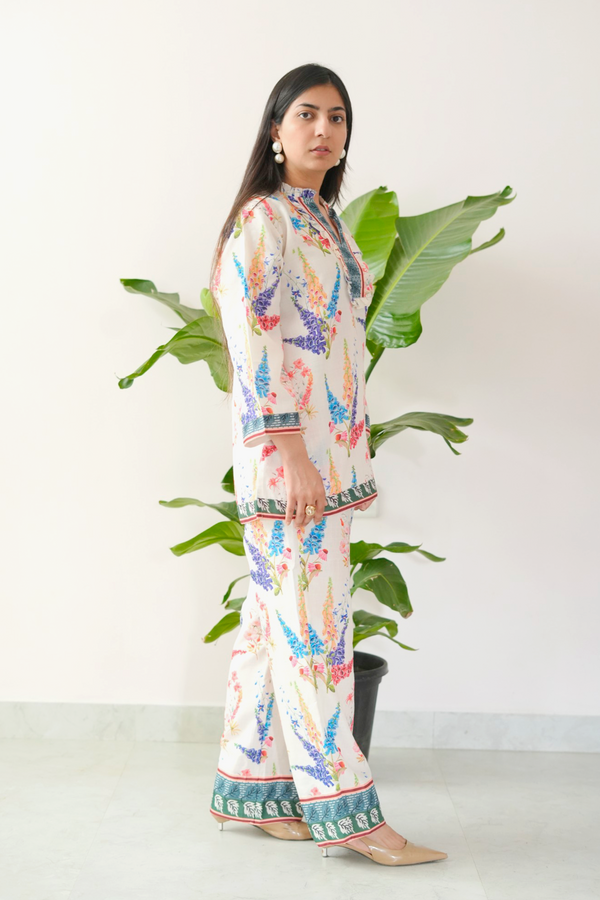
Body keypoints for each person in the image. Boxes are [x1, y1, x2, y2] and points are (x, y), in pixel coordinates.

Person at [207, 63, 448, 868]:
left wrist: (341, 446)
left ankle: (258, 788)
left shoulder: (328, 223)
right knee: (315, 637)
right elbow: (257, 346)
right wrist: (292, 454)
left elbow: (336, 343)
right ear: (275, 130)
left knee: (272, 628)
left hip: (330, 462)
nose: (323, 129)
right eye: (306, 114)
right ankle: (351, 817)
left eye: (337, 117)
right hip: (290, 469)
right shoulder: (262, 222)